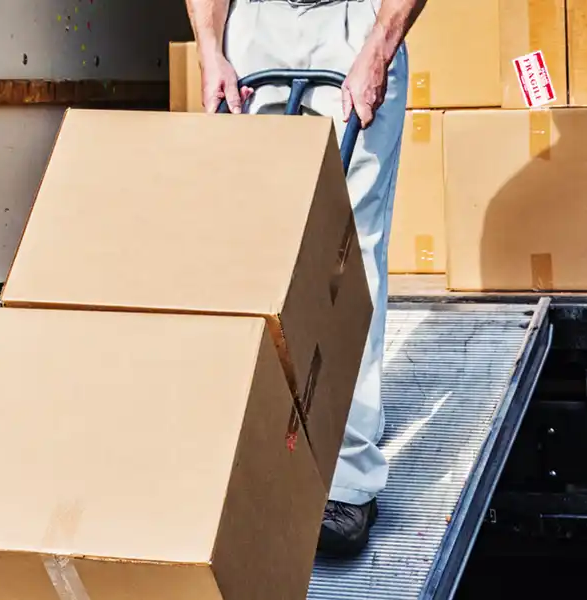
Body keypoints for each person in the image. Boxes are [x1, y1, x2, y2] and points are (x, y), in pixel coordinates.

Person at [185, 0, 427, 557]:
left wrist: (380, 45)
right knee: (250, 249)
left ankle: (348, 477)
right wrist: (210, 47)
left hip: (353, 25)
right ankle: (251, 454)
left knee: (348, 248)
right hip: (252, 27)